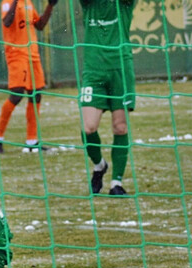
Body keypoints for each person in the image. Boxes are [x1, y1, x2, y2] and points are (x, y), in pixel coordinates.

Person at [77, 0, 137, 196]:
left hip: (120, 67)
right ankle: (99, 165)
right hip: (94, 70)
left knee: (120, 126)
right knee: (88, 127)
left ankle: (116, 183)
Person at [0, 0, 57, 154]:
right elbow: (7, 22)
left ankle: (31, 141)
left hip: (32, 53)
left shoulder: (28, 2)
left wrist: (50, 6)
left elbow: (39, 25)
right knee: (17, 94)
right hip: (16, 52)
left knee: (36, 94)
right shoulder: (7, 2)